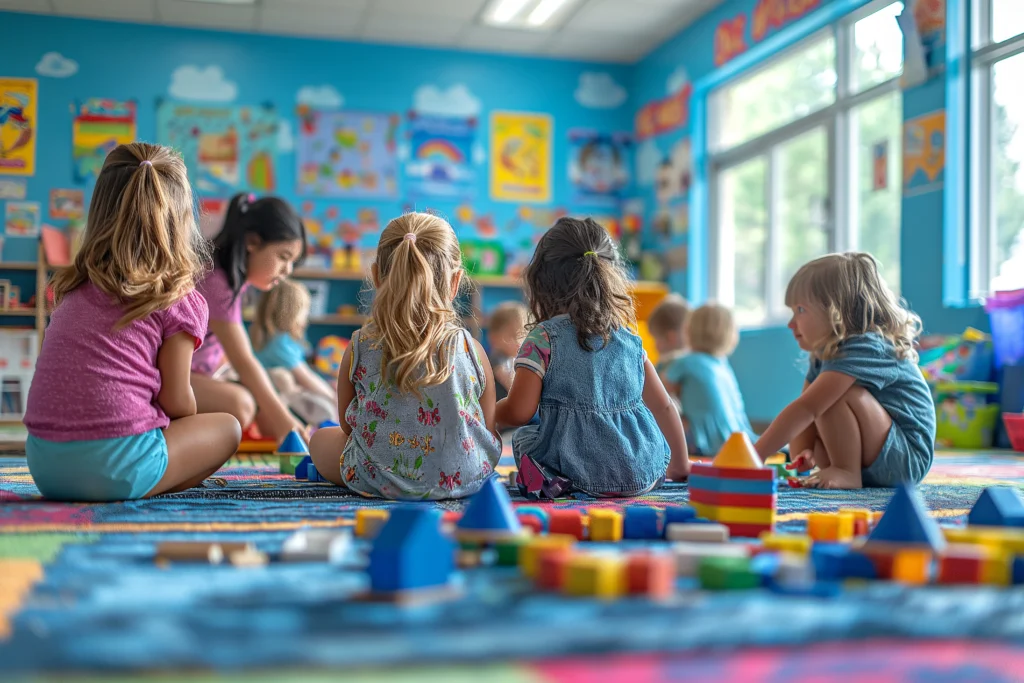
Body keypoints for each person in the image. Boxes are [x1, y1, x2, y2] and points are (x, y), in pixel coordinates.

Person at [23, 143, 241, 501]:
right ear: (182, 220)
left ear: (99, 212)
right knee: (228, 428)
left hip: (45, 465)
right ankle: (149, 482)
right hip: (114, 469)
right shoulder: (177, 298)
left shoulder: (73, 288)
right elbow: (177, 402)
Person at [309, 213, 502, 500]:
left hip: (376, 478)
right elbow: (486, 424)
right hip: (464, 478)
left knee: (321, 439)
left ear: (376, 276)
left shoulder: (360, 345)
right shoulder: (470, 347)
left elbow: (349, 425)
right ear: (455, 281)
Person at [495, 217, 689, 497]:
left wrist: (487, 411)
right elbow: (665, 408)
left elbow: (519, 411)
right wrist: (680, 466)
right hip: (641, 474)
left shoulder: (544, 337)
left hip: (576, 476)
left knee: (524, 438)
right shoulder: (631, 341)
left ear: (543, 283)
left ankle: (549, 484)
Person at [754, 252, 935, 489]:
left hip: (905, 458)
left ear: (835, 311)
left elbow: (807, 408)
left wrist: (754, 455)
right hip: (876, 455)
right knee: (819, 399)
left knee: (833, 396)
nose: (791, 324)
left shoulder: (867, 345)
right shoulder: (825, 355)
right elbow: (806, 410)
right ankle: (842, 468)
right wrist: (804, 452)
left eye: (800, 310)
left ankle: (846, 471)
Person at [190, 192, 308, 442]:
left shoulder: (231, 282)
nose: (287, 270)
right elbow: (243, 360)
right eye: (283, 257)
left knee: (266, 403)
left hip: (202, 373)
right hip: (173, 379)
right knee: (243, 405)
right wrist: (287, 422)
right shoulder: (217, 283)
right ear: (253, 242)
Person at [663, 303, 757, 455]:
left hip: (703, 441)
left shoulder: (685, 361)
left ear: (688, 331)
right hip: (737, 439)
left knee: (663, 415)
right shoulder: (723, 365)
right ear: (731, 336)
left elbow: (657, 394)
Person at [250, 279, 337, 426]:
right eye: (304, 310)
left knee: (331, 387)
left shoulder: (274, 338)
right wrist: (335, 398)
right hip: (278, 399)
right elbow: (306, 379)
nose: (306, 316)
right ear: (292, 312)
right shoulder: (279, 343)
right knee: (327, 406)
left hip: (279, 394)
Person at [487, 301, 528, 401]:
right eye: (512, 336)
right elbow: (509, 382)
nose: (519, 342)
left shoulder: (512, 359)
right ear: (494, 338)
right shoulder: (497, 357)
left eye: (522, 336)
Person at [647, 293, 691, 380]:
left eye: (656, 339)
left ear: (671, 338)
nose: (654, 346)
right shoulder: (696, 360)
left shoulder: (666, 365)